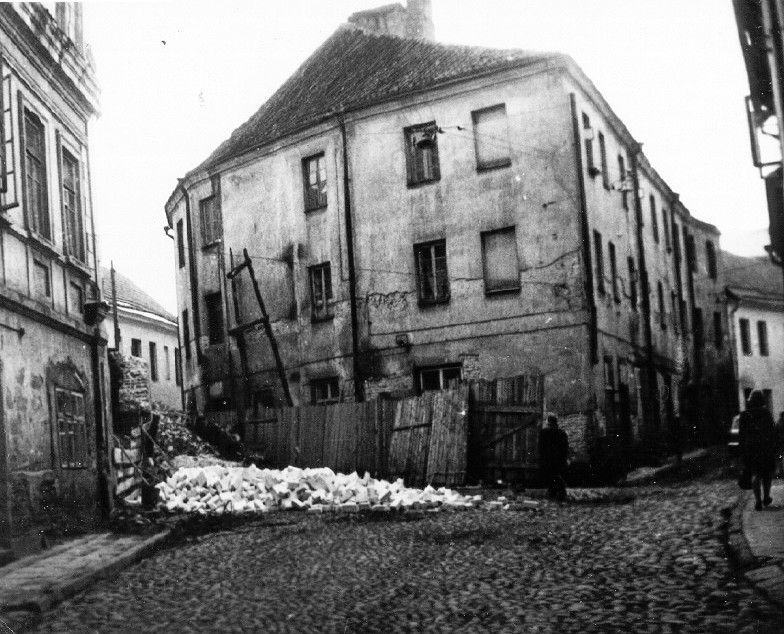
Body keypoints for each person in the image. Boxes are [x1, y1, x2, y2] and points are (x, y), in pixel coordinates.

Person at [739, 391, 777, 510]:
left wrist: (742, 450)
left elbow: (741, 434)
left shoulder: (744, 415)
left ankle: (757, 501)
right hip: (765, 447)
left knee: (755, 474)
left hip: (751, 448)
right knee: (767, 475)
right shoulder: (766, 414)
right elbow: (772, 432)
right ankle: (766, 497)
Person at [539, 413, 569, 501]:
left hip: (548, 458)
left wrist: (542, 457)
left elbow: (541, 446)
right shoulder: (562, 432)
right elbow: (565, 447)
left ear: (548, 421)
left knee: (551, 475)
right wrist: (565, 457)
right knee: (555, 474)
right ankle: (554, 491)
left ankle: (560, 491)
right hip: (559, 458)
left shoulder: (544, 432)